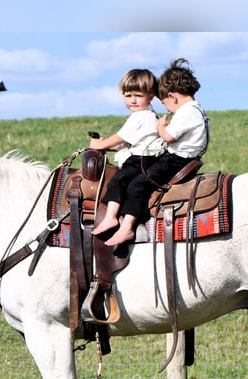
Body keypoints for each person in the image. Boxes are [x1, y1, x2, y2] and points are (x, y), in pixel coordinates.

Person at [98, 58, 209, 247]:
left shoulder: (185, 113)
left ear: (173, 97)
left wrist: (161, 127)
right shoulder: (197, 111)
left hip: (176, 159)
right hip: (181, 157)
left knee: (137, 184)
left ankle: (128, 227)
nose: (166, 108)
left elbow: (168, 138)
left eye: (165, 103)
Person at [89, 69, 163, 238]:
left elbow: (119, 138)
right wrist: (106, 146)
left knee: (117, 181)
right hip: (146, 158)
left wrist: (100, 145)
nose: (133, 100)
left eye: (138, 95)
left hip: (141, 159)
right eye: (128, 96)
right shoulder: (150, 115)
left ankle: (111, 217)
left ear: (151, 96)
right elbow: (127, 142)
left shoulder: (140, 117)